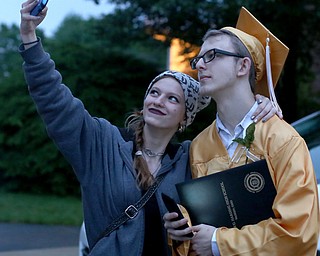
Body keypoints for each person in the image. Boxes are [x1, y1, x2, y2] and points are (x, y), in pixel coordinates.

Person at [19, 1, 279, 255]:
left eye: (172, 99)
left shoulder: (193, 157)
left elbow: (238, 175)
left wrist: (259, 105)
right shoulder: (103, 144)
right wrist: (30, 38)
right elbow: (54, 101)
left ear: (184, 118)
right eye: (154, 92)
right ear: (144, 102)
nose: (159, 101)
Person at [164, 7, 319, 256]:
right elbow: (197, 229)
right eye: (198, 59)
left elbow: (298, 232)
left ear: (242, 66)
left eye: (212, 55)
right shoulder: (200, 146)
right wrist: (181, 229)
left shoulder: (283, 140)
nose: (200, 65)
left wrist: (217, 241)